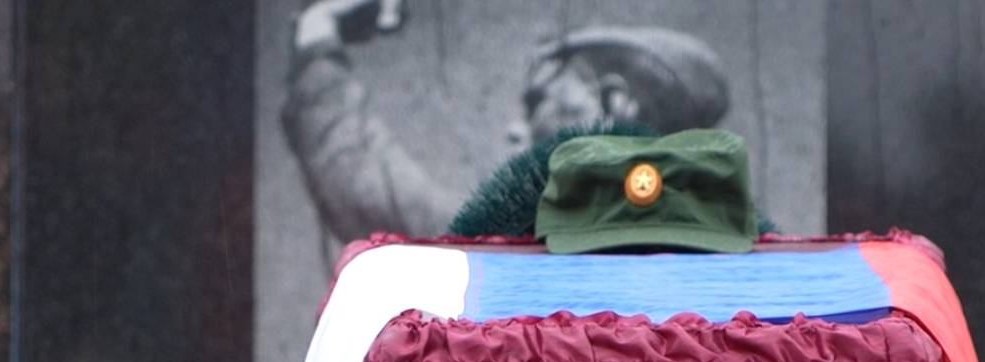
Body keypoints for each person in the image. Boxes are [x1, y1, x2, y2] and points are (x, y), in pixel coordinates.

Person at [285, 0, 731, 241]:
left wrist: (317, 37)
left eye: (538, 101)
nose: (514, 130)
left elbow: (370, 193)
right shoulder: (712, 273)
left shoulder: (539, 254)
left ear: (613, 105)